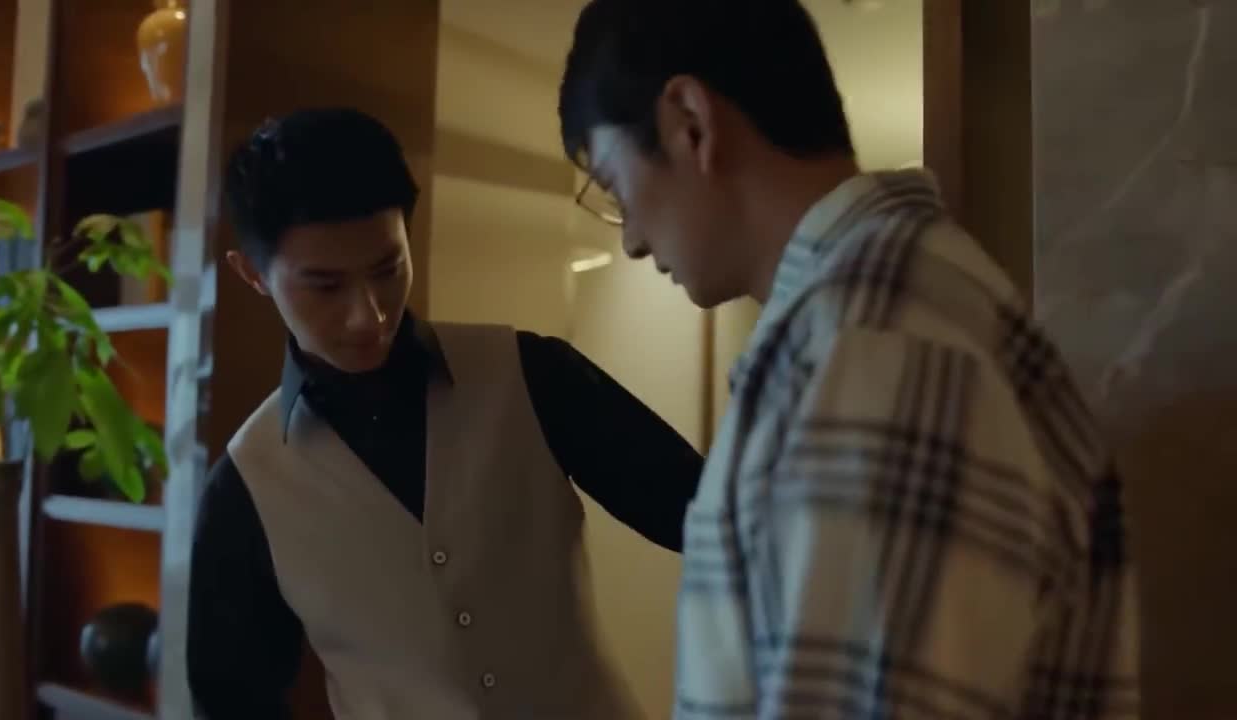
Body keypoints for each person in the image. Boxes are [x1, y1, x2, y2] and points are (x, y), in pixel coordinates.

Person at [558, 1, 1141, 718]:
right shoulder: (878, 319)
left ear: (690, 122)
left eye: (615, 188)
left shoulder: (873, 343)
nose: (632, 241)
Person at [186, 107, 703, 719]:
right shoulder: (244, 488)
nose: (370, 315)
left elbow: (712, 517)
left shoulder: (534, 376)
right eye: (325, 286)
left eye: (387, 269)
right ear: (253, 274)